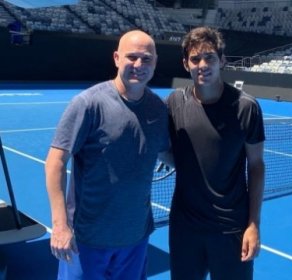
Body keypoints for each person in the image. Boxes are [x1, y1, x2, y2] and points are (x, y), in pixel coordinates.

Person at [45, 29, 169, 280]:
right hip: (87, 240)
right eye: (131, 57)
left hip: (135, 239)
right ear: (116, 58)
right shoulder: (88, 104)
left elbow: (168, 154)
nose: (138, 65)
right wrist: (60, 225)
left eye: (146, 59)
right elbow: (55, 163)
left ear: (155, 62)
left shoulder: (158, 108)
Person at [166, 26, 265, 280]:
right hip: (185, 229)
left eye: (209, 57)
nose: (202, 64)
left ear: (221, 60)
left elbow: (255, 167)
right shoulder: (175, 103)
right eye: (195, 59)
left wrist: (253, 225)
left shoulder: (246, 108)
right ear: (186, 64)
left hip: (231, 229)